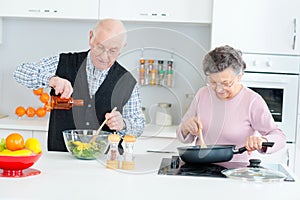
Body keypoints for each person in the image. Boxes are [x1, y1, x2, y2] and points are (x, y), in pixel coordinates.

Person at [14, 19, 145, 152]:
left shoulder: (128, 81)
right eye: (100, 47)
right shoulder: (63, 62)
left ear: (122, 48)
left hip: (105, 163)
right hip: (61, 158)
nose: (104, 56)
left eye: (113, 51)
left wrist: (123, 124)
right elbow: (20, 72)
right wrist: (52, 80)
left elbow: (139, 125)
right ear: (90, 37)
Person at [176, 45, 286, 162]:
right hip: (201, 168)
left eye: (226, 83)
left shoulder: (252, 101)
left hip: (236, 172)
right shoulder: (202, 94)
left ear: (239, 77)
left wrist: (263, 140)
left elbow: (279, 137)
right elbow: (182, 134)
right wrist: (185, 128)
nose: (219, 89)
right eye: (213, 82)